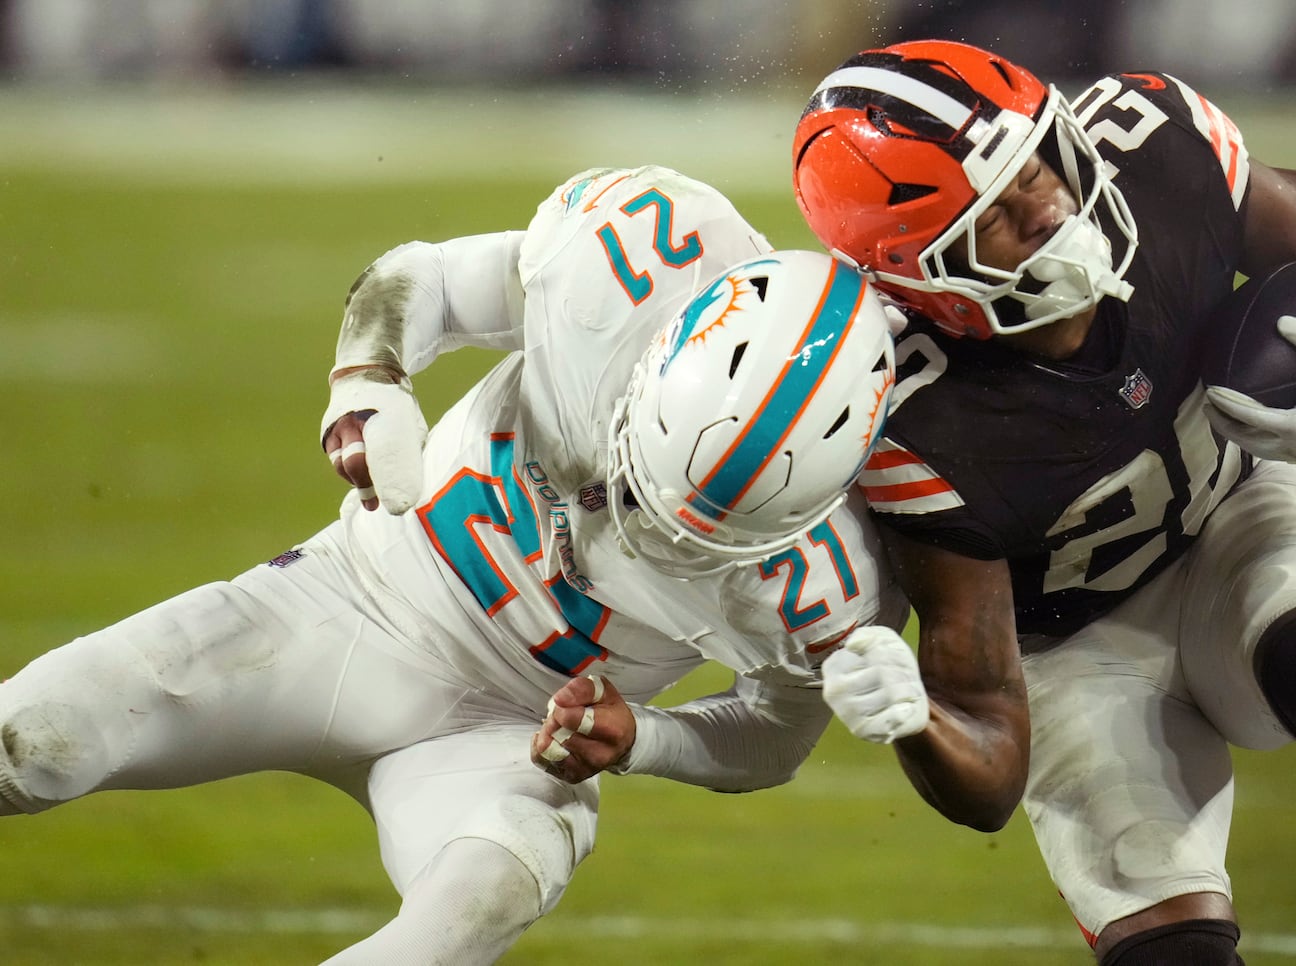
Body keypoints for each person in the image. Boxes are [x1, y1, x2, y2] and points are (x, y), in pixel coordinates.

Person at [0, 164, 1025, 964]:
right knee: (36, 738)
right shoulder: (637, 260)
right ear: (659, 361)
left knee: (478, 898)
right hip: (349, 600)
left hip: (510, 735)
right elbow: (426, 278)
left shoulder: (841, 569)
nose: (661, 531)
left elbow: (771, 740)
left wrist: (643, 740)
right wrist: (368, 380)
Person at [791, 40, 1296, 966]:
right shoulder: (913, 417)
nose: (1048, 205)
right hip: (1071, 651)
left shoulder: (1161, 158)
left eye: (1036, 164)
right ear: (917, 276)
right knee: (1169, 947)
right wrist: (916, 720)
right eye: (996, 214)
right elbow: (991, 761)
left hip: (1231, 518)